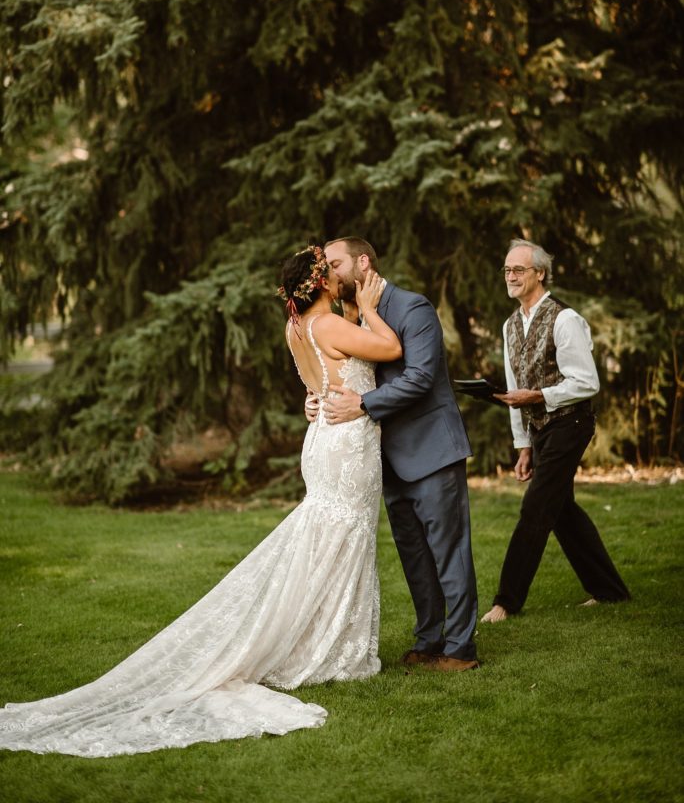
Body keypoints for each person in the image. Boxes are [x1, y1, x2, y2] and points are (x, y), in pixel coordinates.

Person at [0, 245, 401, 757]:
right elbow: (390, 349)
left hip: (323, 438)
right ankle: (325, 650)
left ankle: (319, 642)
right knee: (342, 538)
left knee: (328, 540)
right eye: (331, 269)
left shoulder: (296, 328)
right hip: (346, 446)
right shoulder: (330, 325)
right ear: (321, 281)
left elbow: (320, 383)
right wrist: (367, 310)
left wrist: (323, 385)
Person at [321, 237, 479, 672]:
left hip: (431, 451)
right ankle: (429, 640)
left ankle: (461, 649)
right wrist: (318, 402)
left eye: (335, 263)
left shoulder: (412, 308)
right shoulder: (350, 319)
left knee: (449, 554)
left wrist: (363, 404)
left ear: (363, 262)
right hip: (387, 461)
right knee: (415, 558)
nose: (329, 273)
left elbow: (421, 377)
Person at [481, 238, 630, 624]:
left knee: (536, 507)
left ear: (540, 273)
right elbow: (515, 392)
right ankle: (609, 590)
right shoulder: (510, 326)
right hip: (540, 428)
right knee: (561, 510)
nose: (510, 276)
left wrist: (539, 395)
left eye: (519, 270)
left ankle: (506, 601)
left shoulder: (565, 320)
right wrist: (523, 446)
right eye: (507, 270)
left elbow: (587, 382)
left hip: (571, 423)